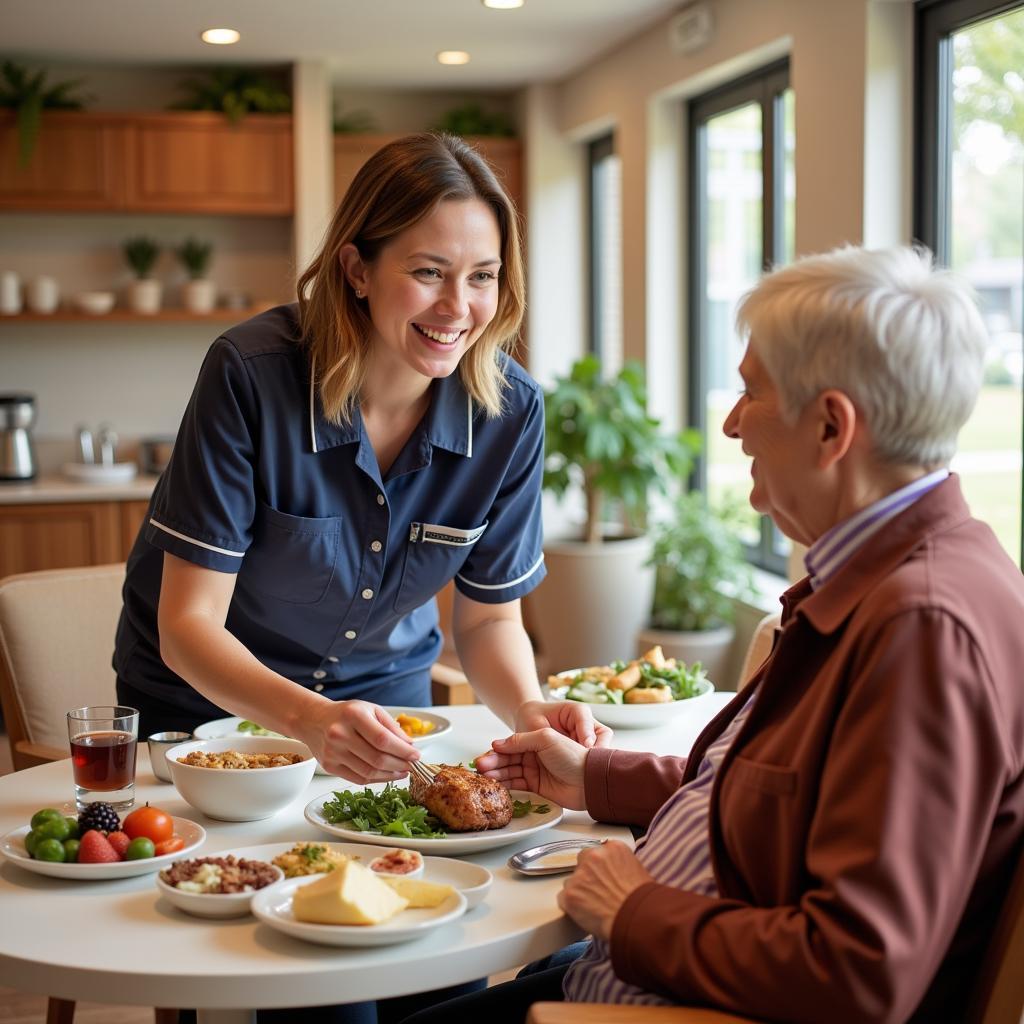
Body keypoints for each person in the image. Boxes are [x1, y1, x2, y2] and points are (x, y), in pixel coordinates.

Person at [400, 245, 1024, 1024]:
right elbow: (777, 805)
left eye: (749, 392)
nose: (731, 424)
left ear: (832, 426)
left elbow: (861, 973)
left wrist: (633, 913)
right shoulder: (886, 577)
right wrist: (594, 775)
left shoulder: (922, 631)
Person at [113, 132, 607, 786]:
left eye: (481, 276)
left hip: (387, 718)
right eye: (428, 271)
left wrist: (529, 708)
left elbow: (488, 618)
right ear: (357, 270)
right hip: (207, 711)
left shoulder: (509, 415)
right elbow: (187, 625)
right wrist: (311, 721)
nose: (458, 308)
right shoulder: (251, 376)